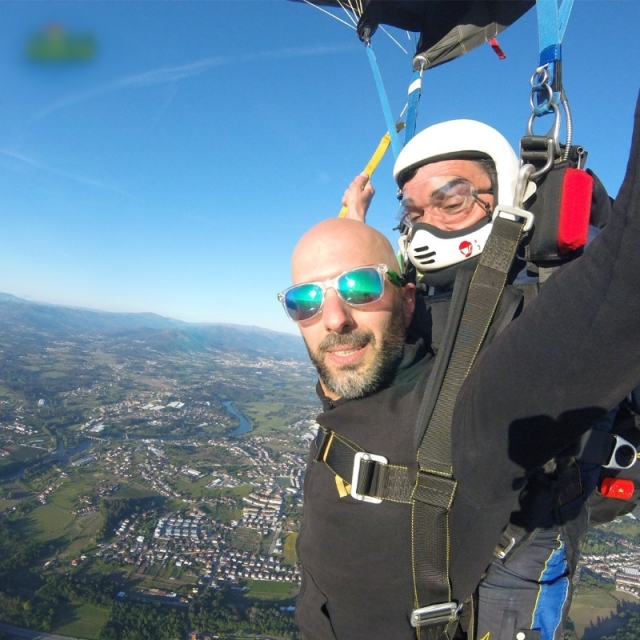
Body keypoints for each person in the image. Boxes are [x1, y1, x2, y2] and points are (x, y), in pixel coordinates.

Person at [278, 92, 640, 640]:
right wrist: (355, 230)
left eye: (451, 201)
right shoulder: (398, 328)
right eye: (412, 212)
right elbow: (359, 314)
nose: (334, 316)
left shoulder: (494, 377)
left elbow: (623, 279)